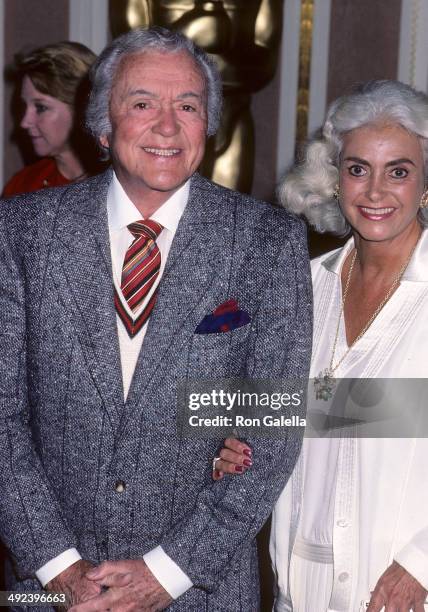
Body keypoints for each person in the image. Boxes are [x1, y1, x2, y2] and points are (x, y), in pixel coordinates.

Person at [0, 27, 312, 611]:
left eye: (188, 106)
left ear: (209, 126)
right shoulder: (22, 232)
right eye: (142, 103)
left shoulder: (267, 242)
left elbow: (272, 429)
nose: (167, 126)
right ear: (101, 123)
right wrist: (61, 567)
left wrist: (164, 574)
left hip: (200, 589)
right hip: (49, 590)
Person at [214, 80, 428, 611]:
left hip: (405, 594)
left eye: (398, 171)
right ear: (334, 180)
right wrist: (223, 443)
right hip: (296, 586)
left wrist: (422, 565)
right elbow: (265, 407)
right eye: (358, 169)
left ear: (425, 185)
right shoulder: (299, 287)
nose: (375, 191)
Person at [2, 41, 99, 197]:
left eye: (41, 108)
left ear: (81, 108)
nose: (24, 123)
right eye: (24, 106)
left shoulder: (121, 185)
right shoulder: (21, 186)